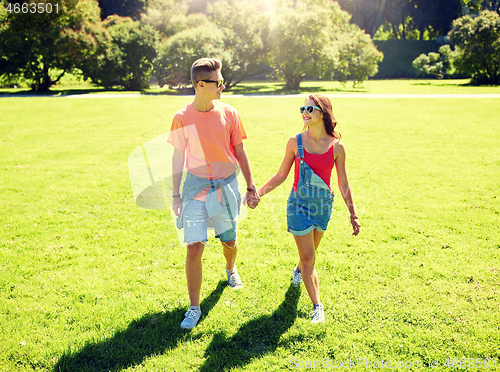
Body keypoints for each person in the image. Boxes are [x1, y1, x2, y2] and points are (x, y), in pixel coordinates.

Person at [168, 58, 259, 329]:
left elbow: (240, 151)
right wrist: (175, 195)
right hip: (195, 188)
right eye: (218, 82)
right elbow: (177, 157)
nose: (223, 85)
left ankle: (230, 269)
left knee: (229, 241)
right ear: (200, 84)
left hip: (226, 186)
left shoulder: (230, 113)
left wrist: (251, 186)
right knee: (194, 246)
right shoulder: (182, 118)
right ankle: (194, 307)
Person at [255, 94, 360, 323]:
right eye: (303, 108)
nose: (305, 112)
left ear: (323, 112)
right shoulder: (295, 142)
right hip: (298, 206)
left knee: (308, 256)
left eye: (310, 109)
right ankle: (317, 306)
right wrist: (258, 193)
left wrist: (353, 214)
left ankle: (300, 270)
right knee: (309, 257)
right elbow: (281, 175)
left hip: (323, 206)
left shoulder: (337, 147)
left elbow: (343, 182)